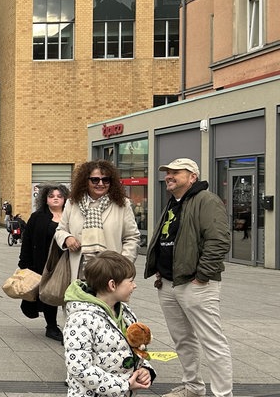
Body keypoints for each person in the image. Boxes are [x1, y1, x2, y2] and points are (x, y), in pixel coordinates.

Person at [144, 158, 232, 397]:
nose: (169, 176)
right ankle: (193, 387)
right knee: (183, 340)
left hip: (196, 284)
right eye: (167, 172)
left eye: (175, 172)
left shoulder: (207, 201)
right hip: (169, 283)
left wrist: (202, 276)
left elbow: (219, 241)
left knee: (212, 342)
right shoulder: (174, 202)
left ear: (192, 177)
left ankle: (224, 394)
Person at [64, 250, 155, 396]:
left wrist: (145, 370)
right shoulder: (81, 320)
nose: (135, 286)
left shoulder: (125, 312)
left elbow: (136, 348)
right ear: (112, 285)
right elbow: (79, 368)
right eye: (130, 281)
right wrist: (122, 385)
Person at [54, 160, 140, 282]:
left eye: (105, 180)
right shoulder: (72, 203)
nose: (100, 184)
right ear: (86, 181)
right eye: (95, 180)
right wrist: (67, 238)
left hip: (111, 272)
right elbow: (60, 230)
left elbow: (132, 237)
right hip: (79, 271)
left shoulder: (122, 204)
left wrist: (123, 264)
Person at [18, 184, 69, 342]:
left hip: (67, 262)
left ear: (65, 199)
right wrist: (24, 263)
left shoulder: (71, 216)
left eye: (59, 196)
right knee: (50, 294)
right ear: (45, 199)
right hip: (44, 263)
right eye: (51, 196)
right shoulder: (38, 217)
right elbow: (27, 239)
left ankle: (72, 325)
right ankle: (51, 326)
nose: (55, 198)